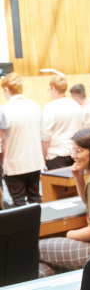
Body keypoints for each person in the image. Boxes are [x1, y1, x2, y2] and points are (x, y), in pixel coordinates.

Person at [39, 128, 90, 277]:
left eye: (79, 151)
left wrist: (68, 234)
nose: (73, 155)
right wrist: (79, 178)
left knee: (37, 248)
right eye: (73, 150)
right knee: (43, 268)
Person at [0, 72, 44, 206]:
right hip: (35, 162)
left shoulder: (6, 110)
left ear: (7, 89)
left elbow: (2, 141)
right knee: (35, 199)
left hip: (14, 164)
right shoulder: (34, 106)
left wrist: (3, 163)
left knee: (18, 203)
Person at [41, 75, 84, 169]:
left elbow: (45, 136)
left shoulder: (50, 107)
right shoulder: (75, 105)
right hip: (74, 153)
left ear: (53, 88)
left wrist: (43, 158)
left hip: (56, 155)